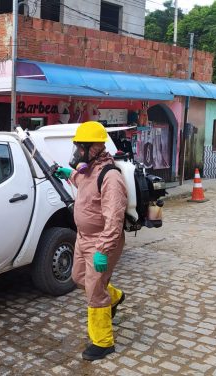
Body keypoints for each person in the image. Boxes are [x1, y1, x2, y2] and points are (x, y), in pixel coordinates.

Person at [54, 121, 128, 361]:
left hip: (101, 241)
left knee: (94, 291)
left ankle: (103, 342)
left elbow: (114, 220)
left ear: (95, 148)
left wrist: (103, 250)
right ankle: (114, 296)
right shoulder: (88, 170)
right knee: (78, 277)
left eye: (81, 147)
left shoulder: (111, 177)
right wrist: (70, 175)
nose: (77, 152)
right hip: (83, 238)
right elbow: (83, 183)